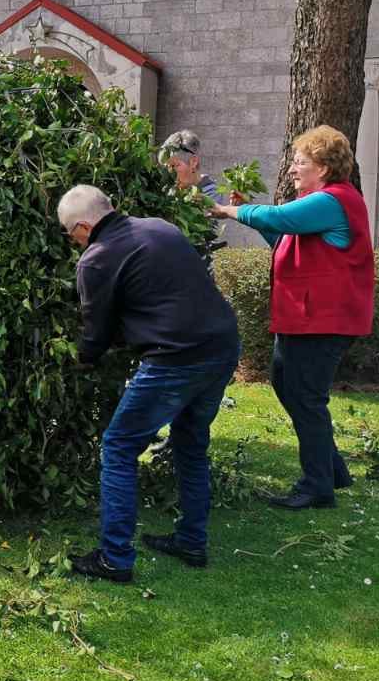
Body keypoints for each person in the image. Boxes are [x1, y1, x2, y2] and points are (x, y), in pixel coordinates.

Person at [56, 185, 242, 582]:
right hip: (222, 345)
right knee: (191, 444)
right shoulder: (160, 228)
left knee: (119, 447)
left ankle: (114, 558)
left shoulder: (96, 259)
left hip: (176, 358)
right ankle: (192, 540)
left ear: (84, 227)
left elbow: (96, 333)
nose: (73, 242)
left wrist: (79, 362)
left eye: (70, 234)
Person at [209, 125, 375, 510]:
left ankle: (317, 487)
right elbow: (283, 238)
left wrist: (227, 209)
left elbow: (279, 218)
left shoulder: (334, 200)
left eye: (299, 162)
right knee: (289, 387)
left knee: (306, 397)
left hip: (322, 320)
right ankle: (332, 470)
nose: (291, 170)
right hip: (304, 318)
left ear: (323, 166)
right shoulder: (322, 203)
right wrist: (252, 214)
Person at [158, 129, 222, 205]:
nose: (169, 172)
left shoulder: (212, 194)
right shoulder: (168, 192)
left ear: (194, 162)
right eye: (166, 167)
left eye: (174, 165)